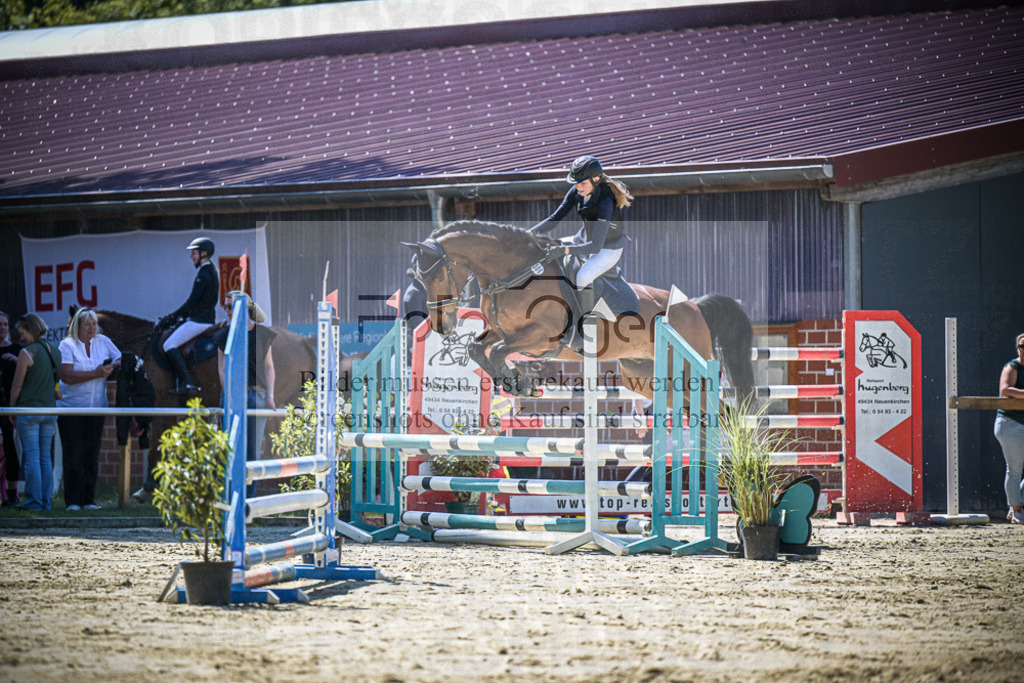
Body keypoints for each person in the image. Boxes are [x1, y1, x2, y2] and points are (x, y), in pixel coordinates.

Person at [528, 155, 634, 293]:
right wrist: (528, 234)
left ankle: (586, 315)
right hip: (584, 238)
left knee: (583, 276)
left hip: (608, 249)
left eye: (582, 183)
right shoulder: (577, 191)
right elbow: (555, 218)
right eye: (575, 183)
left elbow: (596, 246)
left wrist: (565, 250)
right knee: (550, 248)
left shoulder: (606, 201)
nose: (578, 187)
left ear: (595, 179)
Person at [57, 308, 121, 511]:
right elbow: (66, 375)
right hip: (72, 409)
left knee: (91, 453)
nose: (92, 328)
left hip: (97, 407)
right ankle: (73, 501)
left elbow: (120, 357)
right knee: (73, 453)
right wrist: (96, 374)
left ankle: (89, 500)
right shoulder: (67, 345)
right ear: (78, 326)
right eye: (87, 324)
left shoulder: (103, 341)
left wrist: (112, 366)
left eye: (94, 324)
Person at [215, 291, 276, 497]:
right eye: (225, 306)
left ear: (243, 308)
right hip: (233, 396)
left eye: (230, 306)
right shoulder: (224, 335)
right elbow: (222, 368)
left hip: (257, 396)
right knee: (230, 448)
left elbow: (268, 367)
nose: (227, 311)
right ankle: (230, 500)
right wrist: (229, 394)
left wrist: (270, 396)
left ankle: (248, 503)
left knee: (252, 451)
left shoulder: (263, 334)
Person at [8, 313, 61, 511]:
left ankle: (33, 502)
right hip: (49, 411)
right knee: (45, 457)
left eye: (22, 331)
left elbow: (16, 386)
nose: (20, 335)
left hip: (28, 411)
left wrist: (11, 410)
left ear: (30, 329)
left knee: (31, 457)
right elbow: (56, 381)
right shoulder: (55, 351)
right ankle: (45, 502)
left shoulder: (26, 353)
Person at [162, 237, 219, 394]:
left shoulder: (204, 275)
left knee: (168, 345)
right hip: (204, 319)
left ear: (204, 253)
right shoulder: (211, 271)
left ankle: (188, 383)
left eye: (194, 253)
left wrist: (171, 318)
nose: (191, 256)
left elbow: (191, 303)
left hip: (200, 321)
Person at [995, 332, 1024, 525]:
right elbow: (1005, 389)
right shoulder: (1013, 366)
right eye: (1022, 346)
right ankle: (1016, 510)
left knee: (1015, 470)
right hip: (1010, 423)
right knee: (1014, 470)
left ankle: (1017, 504)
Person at [0, 310, 23, 506]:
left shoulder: (17, 350)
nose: (2, 328)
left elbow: (28, 374)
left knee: (11, 449)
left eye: (5, 324)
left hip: (10, 407)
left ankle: (12, 494)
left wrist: (17, 361)